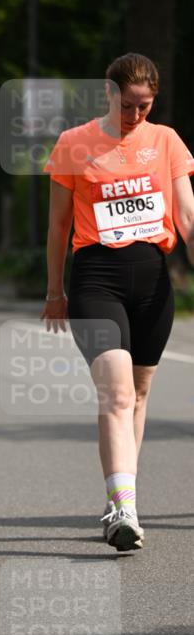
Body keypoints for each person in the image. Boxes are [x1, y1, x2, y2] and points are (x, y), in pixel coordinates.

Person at [42, 52, 194, 551]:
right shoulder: (74, 143)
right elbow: (59, 225)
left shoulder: (166, 141)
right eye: (127, 105)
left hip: (153, 282)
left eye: (144, 107)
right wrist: (54, 290)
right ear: (108, 93)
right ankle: (121, 509)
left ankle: (126, 491)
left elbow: (187, 218)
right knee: (118, 393)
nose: (134, 117)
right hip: (96, 279)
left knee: (140, 394)